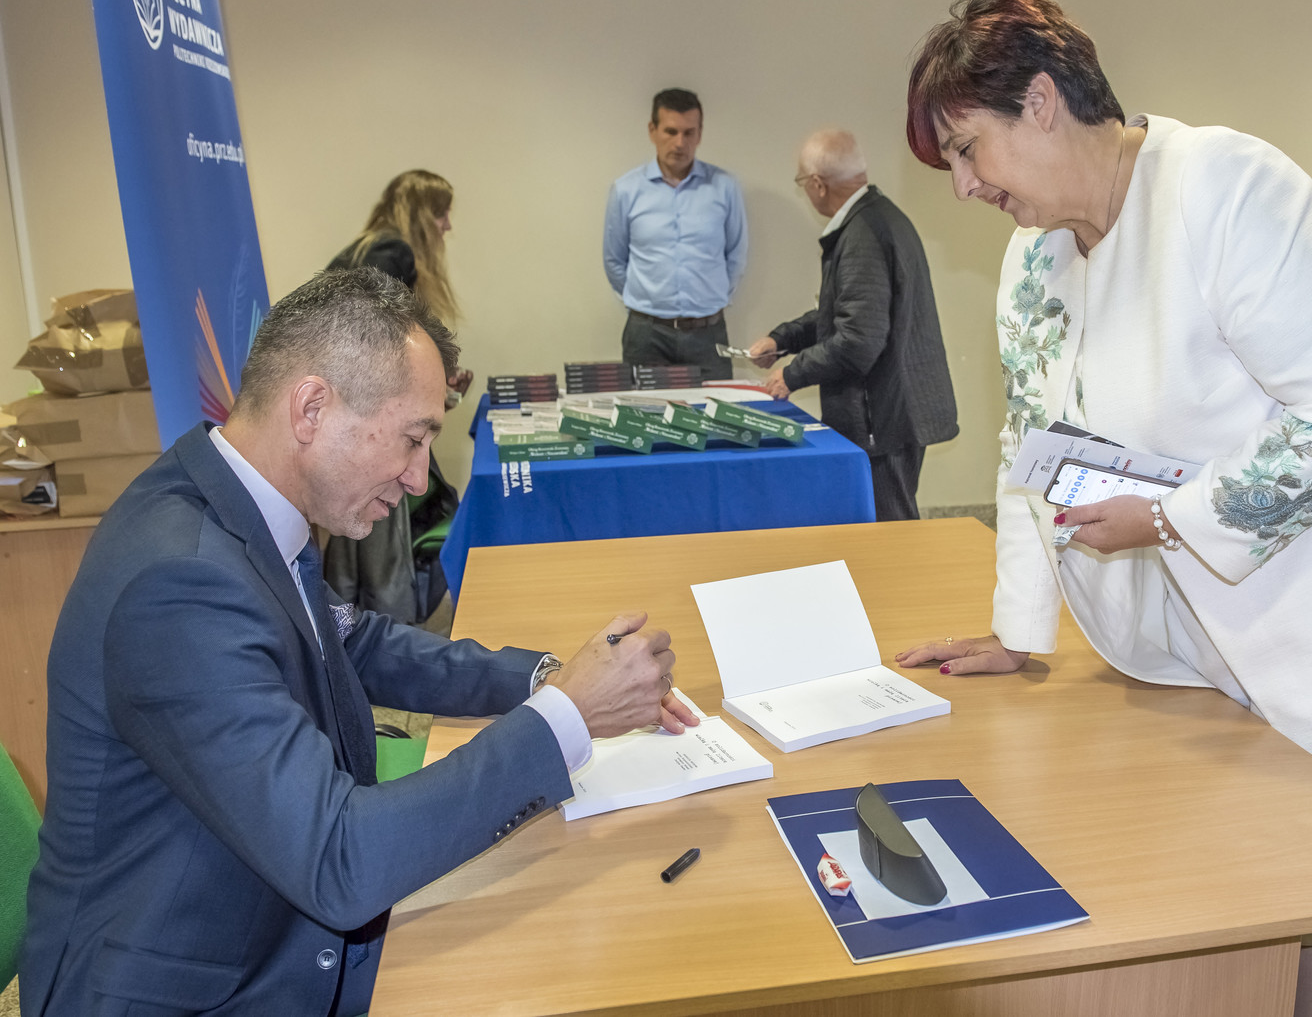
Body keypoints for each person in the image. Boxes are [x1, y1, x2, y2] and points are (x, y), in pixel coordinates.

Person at [892, 0, 1312, 1017]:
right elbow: (1030, 448)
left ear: (1039, 101)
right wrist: (1019, 630)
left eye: (965, 149)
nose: (963, 186)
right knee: (1259, 880)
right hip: (1211, 612)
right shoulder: (1035, 257)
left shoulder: (1224, 188)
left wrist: (1171, 518)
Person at [21, 268, 697, 1016]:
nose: (419, 479)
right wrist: (566, 717)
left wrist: (546, 680)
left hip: (253, 928)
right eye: (413, 439)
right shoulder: (181, 584)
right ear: (312, 408)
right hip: (193, 989)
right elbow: (339, 861)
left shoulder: (239, 500)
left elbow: (353, 642)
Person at [748, 129, 958, 520]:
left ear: (817, 184)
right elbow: (844, 315)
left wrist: (792, 375)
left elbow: (859, 339)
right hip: (890, 410)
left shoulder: (863, 234)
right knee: (883, 526)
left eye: (801, 182)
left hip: (883, 417)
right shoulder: (876, 219)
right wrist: (782, 339)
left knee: (889, 530)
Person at [326, 170, 472, 624]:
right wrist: (433, 390)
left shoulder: (362, 248)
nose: (447, 224)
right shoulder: (394, 252)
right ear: (421, 213)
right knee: (392, 528)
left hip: (353, 412)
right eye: (441, 213)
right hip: (375, 420)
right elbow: (384, 345)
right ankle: (390, 627)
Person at [603, 88, 749, 380]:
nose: (680, 143)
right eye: (670, 131)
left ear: (700, 134)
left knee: (716, 409)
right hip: (647, 336)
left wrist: (708, 299)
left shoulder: (724, 187)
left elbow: (736, 255)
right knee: (643, 409)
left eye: (689, 133)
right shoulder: (626, 190)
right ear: (652, 130)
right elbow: (614, 260)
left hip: (708, 335)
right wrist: (647, 301)